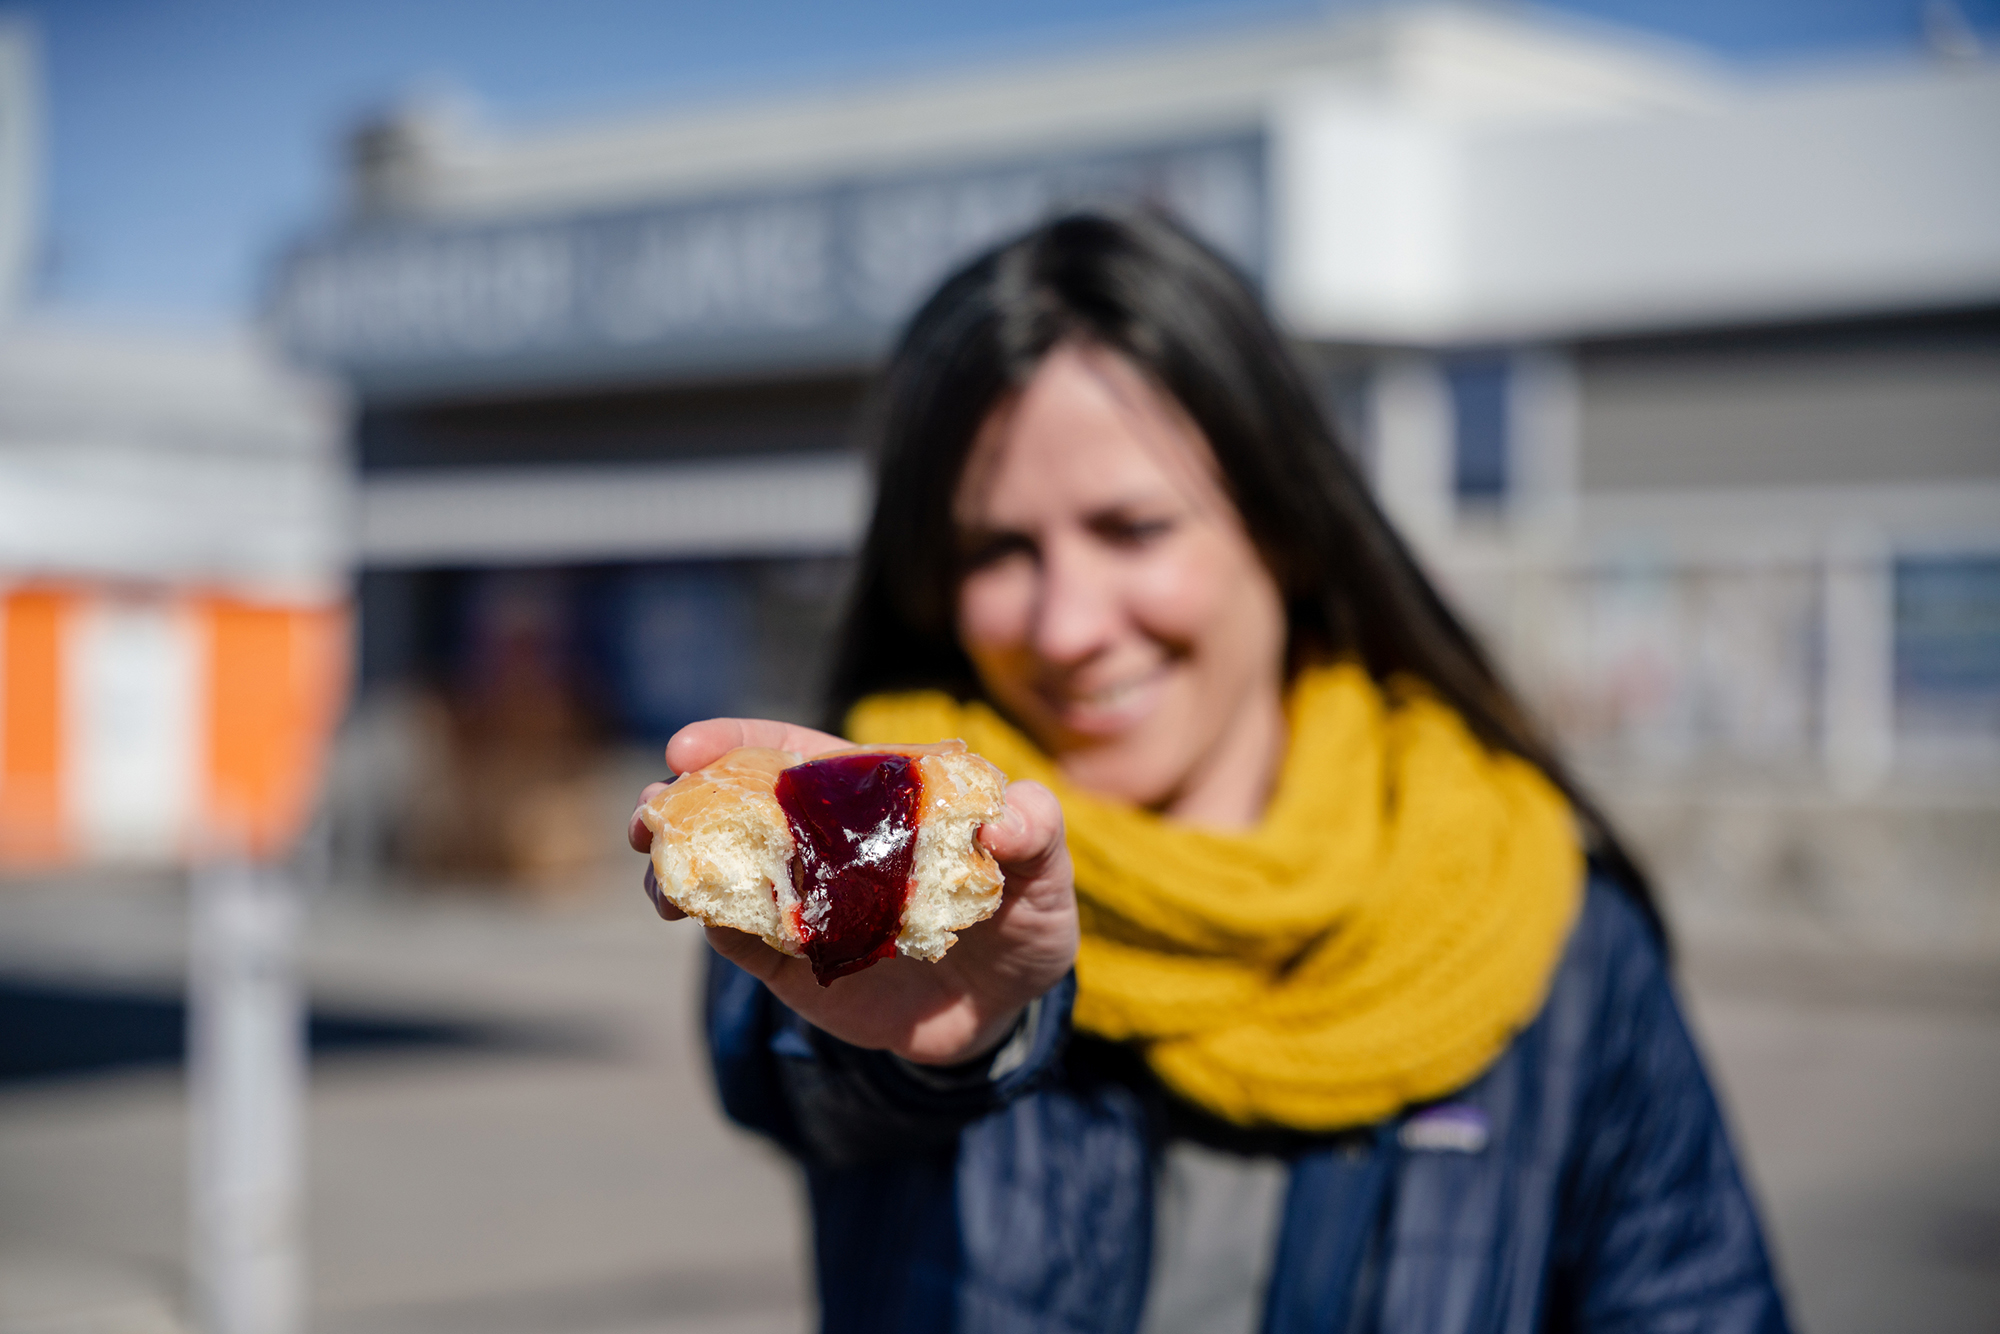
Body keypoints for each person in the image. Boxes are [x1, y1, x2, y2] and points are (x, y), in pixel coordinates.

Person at [627, 212, 1791, 1334]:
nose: (1070, 623)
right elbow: (789, 1073)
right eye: (998, 549)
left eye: (1132, 527)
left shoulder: (1550, 921)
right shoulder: (881, 850)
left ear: (1280, 525)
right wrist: (946, 1044)